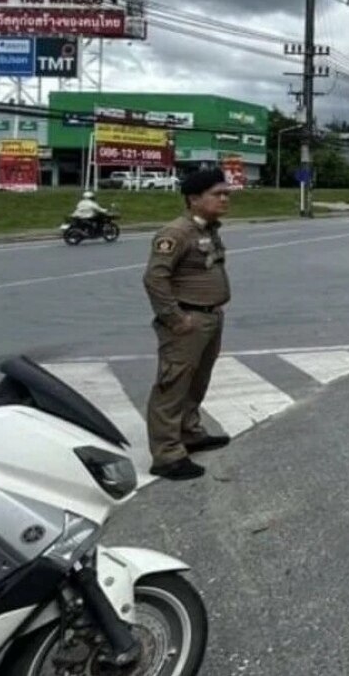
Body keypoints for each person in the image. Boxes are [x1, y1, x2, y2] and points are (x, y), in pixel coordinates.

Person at [142, 168, 233, 480]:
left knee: (197, 381)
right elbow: (155, 278)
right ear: (194, 199)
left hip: (209, 316)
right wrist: (174, 318)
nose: (225, 198)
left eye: (226, 193)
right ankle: (167, 454)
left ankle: (189, 433)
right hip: (187, 319)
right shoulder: (176, 233)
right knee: (173, 384)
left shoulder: (207, 230)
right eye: (217, 194)